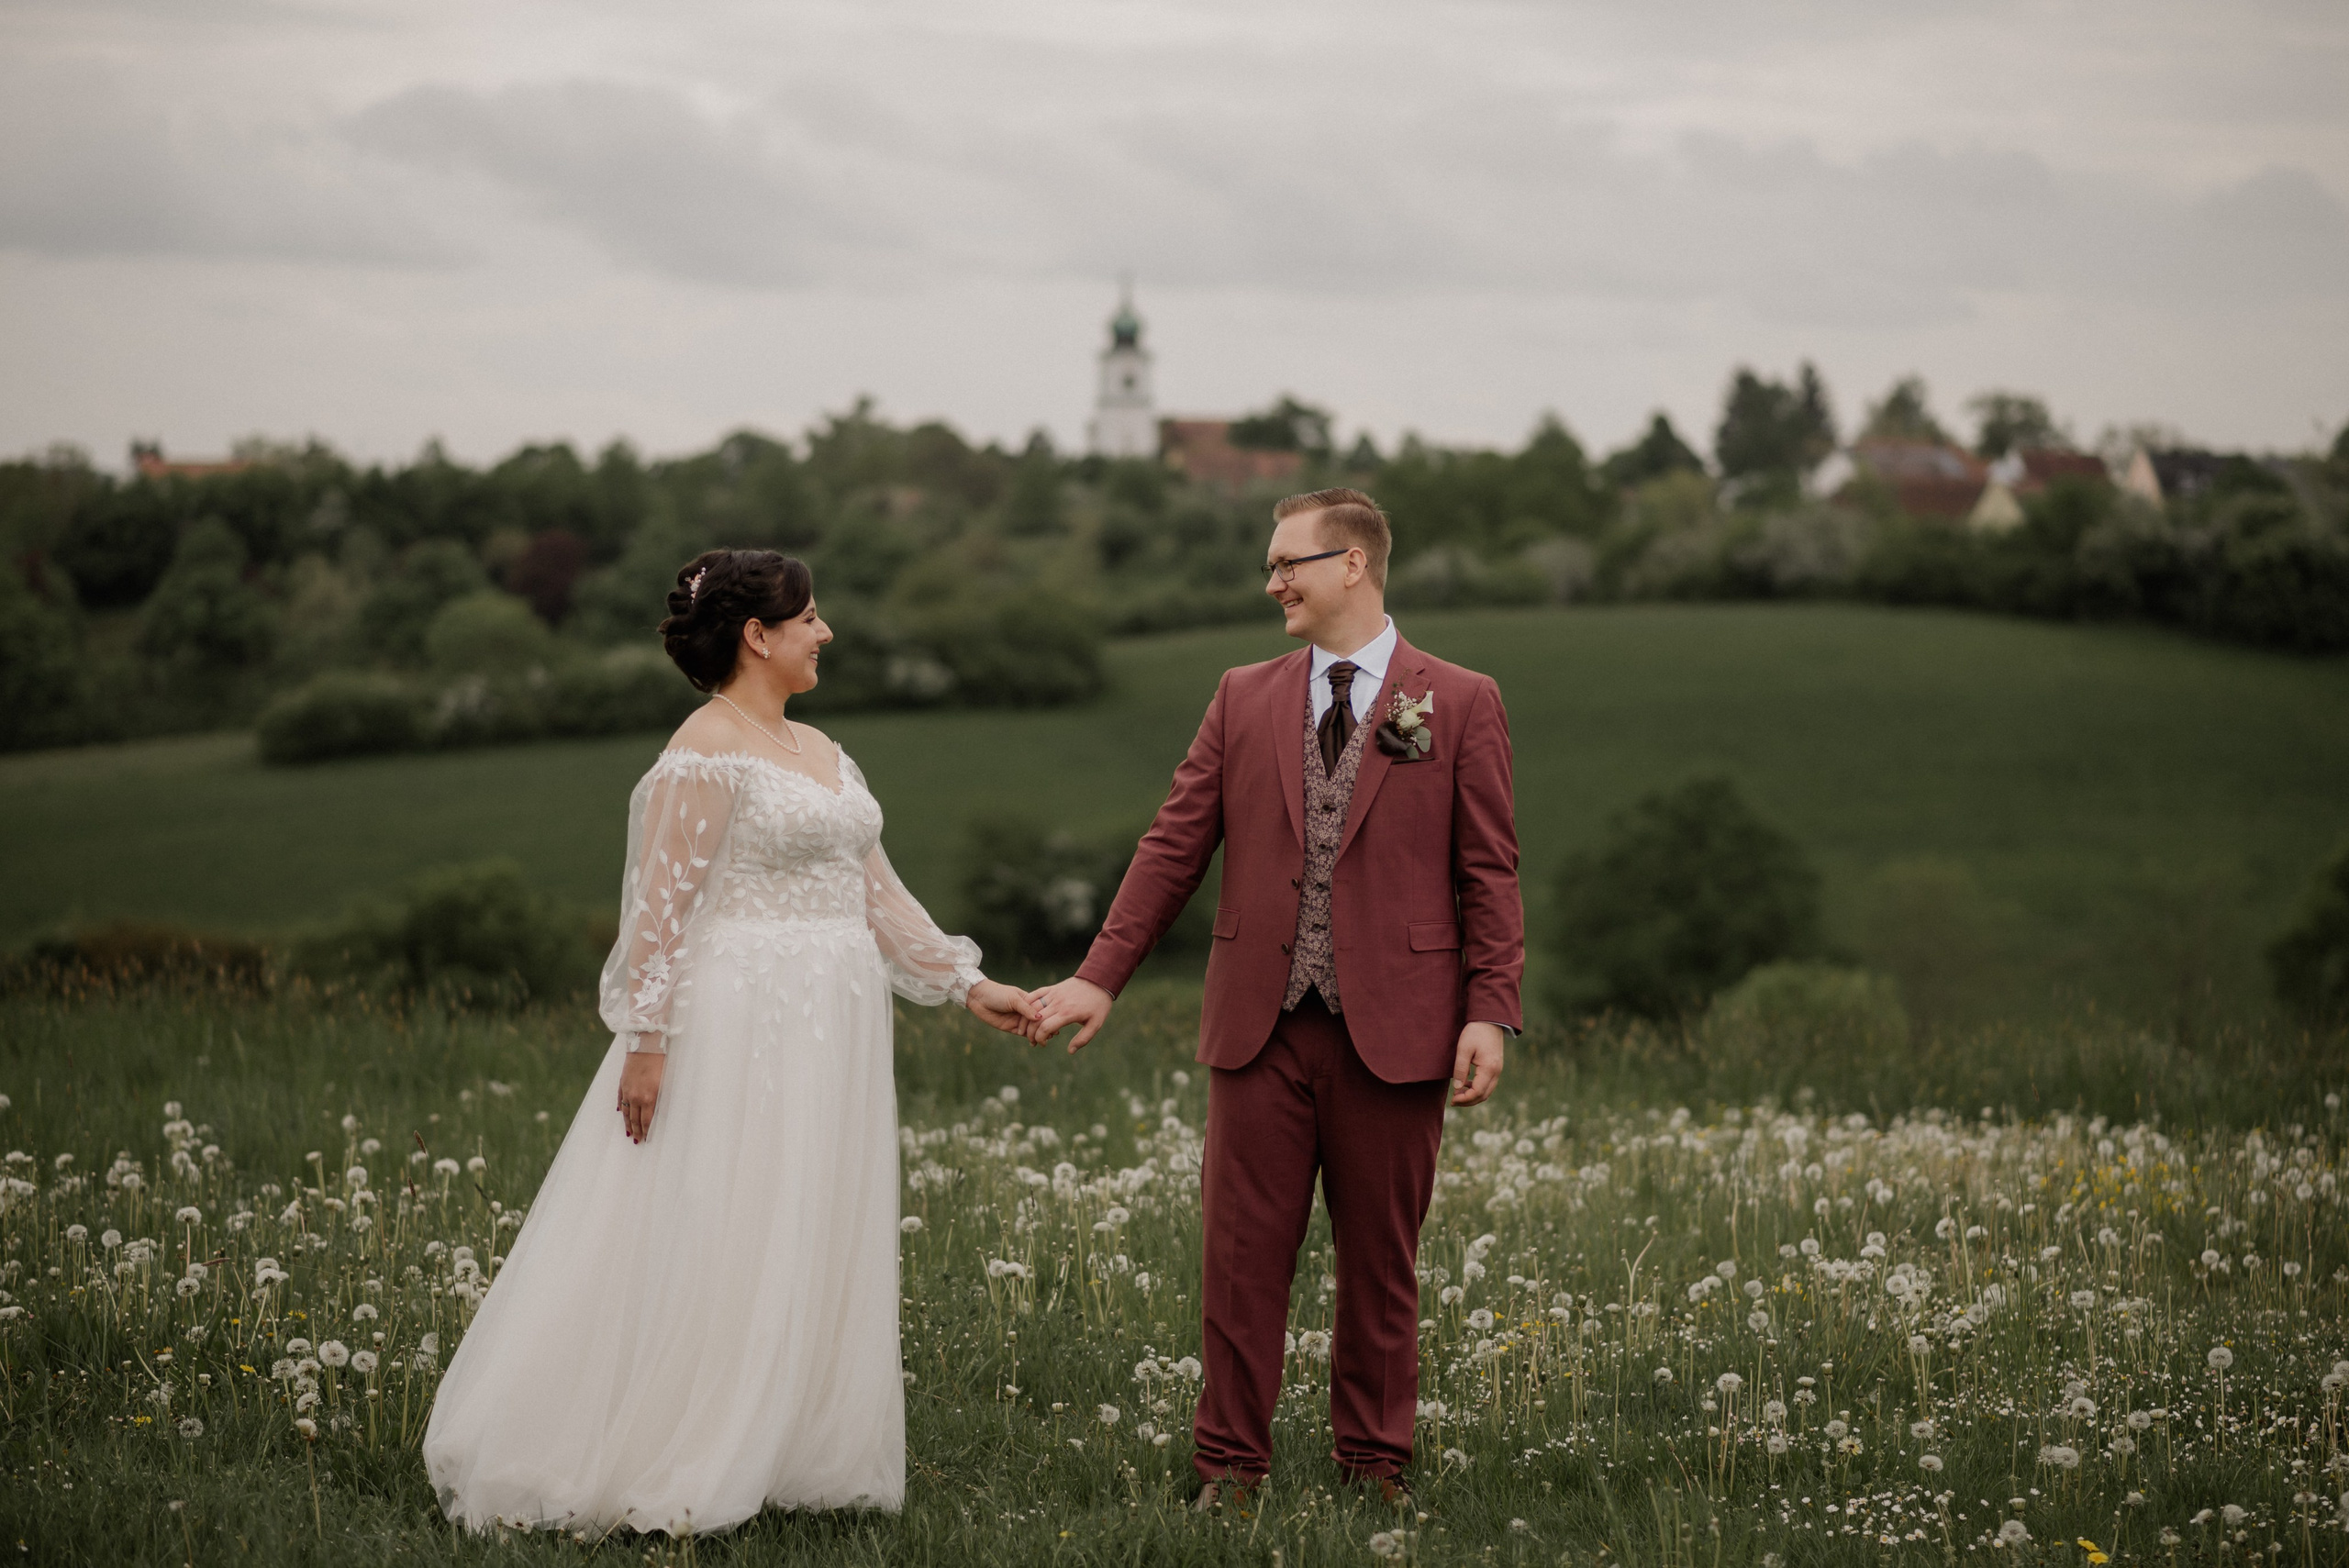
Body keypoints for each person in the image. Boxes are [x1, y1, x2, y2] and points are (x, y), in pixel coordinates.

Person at [423, 549, 1038, 1536]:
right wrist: (647, 1038)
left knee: (807, 1214)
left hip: (836, 1017)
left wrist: (969, 983)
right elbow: (657, 908)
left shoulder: (821, 747)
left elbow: (875, 890)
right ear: (758, 634)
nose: (825, 632)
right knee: (730, 1211)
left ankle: (787, 1444)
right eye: (809, 618)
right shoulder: (703, 748)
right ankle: (675, 1448)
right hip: (743, 1014)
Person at [1029, 487, 1523, 1511]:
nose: (1272, 583)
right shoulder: (1241, 694)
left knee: (1381, 1262)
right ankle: (1229, 1467)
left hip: (1400, 1026)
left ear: (1353, 564)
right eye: (1271, 564)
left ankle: (1374, 1465)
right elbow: (1173, 846)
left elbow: (1489, 871)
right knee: (1240, 1256)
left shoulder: (1460, 699)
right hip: (1258, 1024)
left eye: (1288, 563)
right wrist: (1097, 974)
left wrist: (1489, 1007)